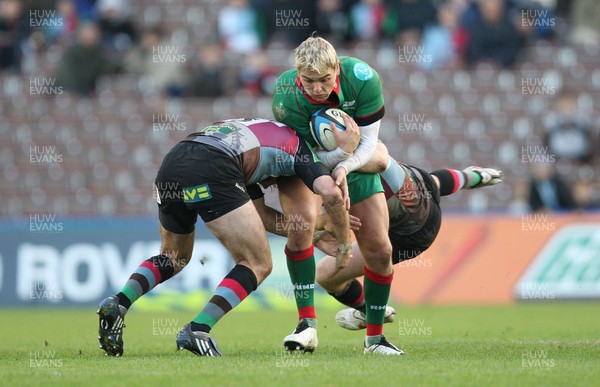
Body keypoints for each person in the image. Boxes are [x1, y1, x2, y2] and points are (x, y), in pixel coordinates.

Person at [96, 118, 352, 357]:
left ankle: (118, 303)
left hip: (174, 161)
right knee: (257, 263)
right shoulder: (301, 150)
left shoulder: (258, 141)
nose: (278, 185)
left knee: (173, 257)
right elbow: (330, 194)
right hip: (213, 166)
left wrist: (312, 230)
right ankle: (198, 329)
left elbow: (261, 217)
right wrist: (342, 243)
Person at [272, 35, 402, 354]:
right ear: (297, 75)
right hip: (307, 166)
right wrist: (328, 199)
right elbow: (301, 156)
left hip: (354, 164)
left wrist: (345, 168)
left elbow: (369, 143)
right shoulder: (286, 94)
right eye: (309, 81)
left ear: (337, 71)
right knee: (302, 228)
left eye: (325, 80)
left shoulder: (363, 78)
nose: (317, 88)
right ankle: (306, 325)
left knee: (380, 250)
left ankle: (374, 341)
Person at [312, 153, 504, 339]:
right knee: (325, 274)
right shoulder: (323, 165)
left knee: (423, 190)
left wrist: (344, 170)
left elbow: (378, 161)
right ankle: (475, 175)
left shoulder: (359, 160)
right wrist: (319, 230)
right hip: (415, 186)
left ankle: (374, 326)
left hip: (413, 231)